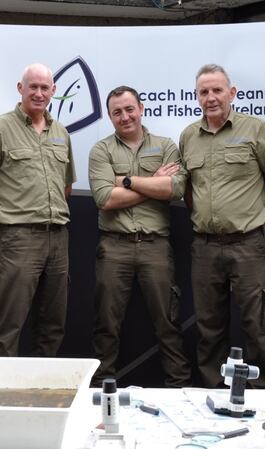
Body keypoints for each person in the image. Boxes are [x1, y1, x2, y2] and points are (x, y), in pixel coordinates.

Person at [179, 64, 265, 388]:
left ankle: (263, 393)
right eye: (204, 92)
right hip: (205, 247)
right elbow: (188, 189)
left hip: (247, 245)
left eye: (217, 90)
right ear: (197, 97)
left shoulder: (254, 129)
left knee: (257, 326)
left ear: (232, 93)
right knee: (208, 328)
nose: (211, 97)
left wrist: (260, 221)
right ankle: (213, 394)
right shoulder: (189, 136)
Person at [0, 63, 75, 357]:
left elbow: (65, 187)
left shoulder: (61, 133)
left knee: (53, 323)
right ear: (20, 88)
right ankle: (0, 385)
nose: (39, 93)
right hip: (20, 240)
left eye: (45, 88)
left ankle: (43, 382)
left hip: (58, 238)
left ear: (53, 91)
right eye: (33, 87)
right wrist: (7, 219)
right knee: (9, 325)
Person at [88, 86, 191, 387]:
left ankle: (179, 389)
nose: (125, 116)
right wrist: (153, 182)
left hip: (155, 247)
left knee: (168, 324)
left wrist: (128, 181)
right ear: (110, 116)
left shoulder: (166, 146)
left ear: (141, 108)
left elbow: (175, 189)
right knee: (106, 325)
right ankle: (101, 392)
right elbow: (105, 199)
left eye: (129, 109)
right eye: (117, 112)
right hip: (114, 247)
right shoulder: (101, 150)